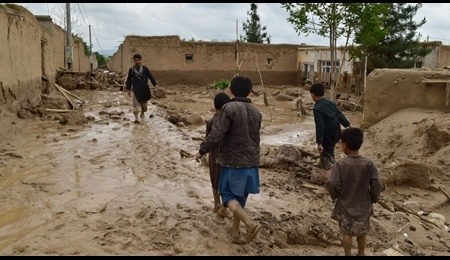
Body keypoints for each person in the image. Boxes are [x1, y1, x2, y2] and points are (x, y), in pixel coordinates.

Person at [194, 75, 262, 244]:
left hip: (233, 162)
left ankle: (250, 224)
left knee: (227, 196)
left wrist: (201, 151)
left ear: (231, 91)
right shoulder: (256, 112)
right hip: (252, 162)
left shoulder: (229, 108)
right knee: (240, 199)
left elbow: (217, 134)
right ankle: (234, 233)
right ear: (249, 92)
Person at [325, 127, 382, 256]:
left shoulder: (340, 164)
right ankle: (361, 253)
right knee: (362, 231)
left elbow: (332, 183)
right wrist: (374, 198)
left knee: (347, 233)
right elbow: (377, 184)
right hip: (363, 205)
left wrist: (336, 195)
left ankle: (348, 254)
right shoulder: (369, 163)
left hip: (345, 204)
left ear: (344, 145)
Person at [309, 82, 351, 170]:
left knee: (326, 150)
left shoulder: (317, 108)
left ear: (312, 95)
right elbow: (339, 115)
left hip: (328, 132)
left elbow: (320, 126)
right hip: (336, 130)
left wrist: (319, 142)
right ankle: (322, 162)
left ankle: (330, 167)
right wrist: (348, 125)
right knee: (329, 148)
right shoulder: (331, 103)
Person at [206, 92, 232, 218]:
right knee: (225, 182)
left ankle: (217, 204)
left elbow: (208, 139)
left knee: (215, 180)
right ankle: (223, 206)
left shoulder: (211, 121)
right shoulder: (227, 121)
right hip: (226, 156)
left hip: (213, 155)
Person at [126, 53, 159, 123]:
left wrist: (155, 84)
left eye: (138, 60)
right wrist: (128, 89)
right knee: (135, 105)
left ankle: (142, 113)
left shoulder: (145, 69)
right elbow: (129, 79)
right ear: (134, 61)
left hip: (144, 89)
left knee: (144, 106)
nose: (137, 61)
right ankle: (136, 118)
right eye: (136, 60)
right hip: (136, 90)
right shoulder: (131, 70)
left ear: (141, 60)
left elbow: (150, 76)